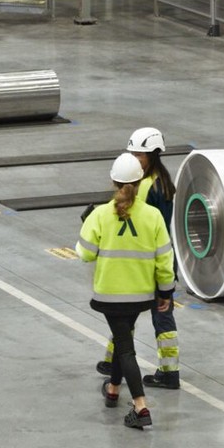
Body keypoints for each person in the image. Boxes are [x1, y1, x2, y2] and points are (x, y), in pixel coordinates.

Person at [77, 153, 174, 430]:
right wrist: (165, 292)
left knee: (126, 347)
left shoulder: (99, 215)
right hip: (141, 295)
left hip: (109, 294)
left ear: (113, 181)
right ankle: (113, 389)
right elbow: (164, 260)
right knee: (123, 339)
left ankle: (141, 407)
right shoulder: (152, 216)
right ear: (140, 180)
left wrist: (85, 226)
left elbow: (84, 254)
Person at [96, 126, 182, 389]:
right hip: (160, 257)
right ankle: (124, 362)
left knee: (137, 316)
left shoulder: (144, 187)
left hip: (147, 263)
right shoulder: (163, 182)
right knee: (149, 316)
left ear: (153, 155)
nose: (134, 158)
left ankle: (164, 372)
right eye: (132, 153)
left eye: (139, 154)